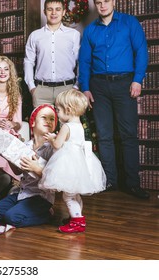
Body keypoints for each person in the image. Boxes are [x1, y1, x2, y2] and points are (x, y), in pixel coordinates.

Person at [79, 0, 149, 199]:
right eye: (98, 2)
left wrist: (137, 80)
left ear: (114, 2)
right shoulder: (91, 30)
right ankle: (110, 180)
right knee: (104, 135)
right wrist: (85, 88)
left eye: (106, 1)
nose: (102, 5)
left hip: (125, 83)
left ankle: (132, 184)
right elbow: (84, 61)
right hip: (98, 86)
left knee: (128, 134)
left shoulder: (130, 23)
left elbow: (141, 52)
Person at [39, 89, 106, 233]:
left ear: (68, 109)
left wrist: (51, 139)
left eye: (58, 110)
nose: (56, 113)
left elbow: (57, 145)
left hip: (68, 164)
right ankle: (75, 216)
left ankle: (77, 221)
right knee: (75, 194)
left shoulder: (66, 127)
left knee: (68, 196)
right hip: (79, 163)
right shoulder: (79, 126)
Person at [0, 104, 57, 228]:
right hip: (22, 193)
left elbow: (55, 178)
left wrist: (37, 169)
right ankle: (21, 208)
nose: (48, 121)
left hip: (40, 197)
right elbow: (18, 171)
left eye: (52, 119)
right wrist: (8, 157)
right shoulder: (25, 146)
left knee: (12, 217)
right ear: (33, 123)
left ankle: (46, 215)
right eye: (44, 117)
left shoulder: (53, 148)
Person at [23, 0, 80, 107]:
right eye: (50, 9)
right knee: (41, 124)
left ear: (63, 12)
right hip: (41, 91)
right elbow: (28, 61)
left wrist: (76, 87)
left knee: (66, 124)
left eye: (58, 9)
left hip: (67, 90)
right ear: (44, 11)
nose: (54, 13)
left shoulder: (74, 35)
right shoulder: (35, 36)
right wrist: (32, 87)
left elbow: (80, 62)